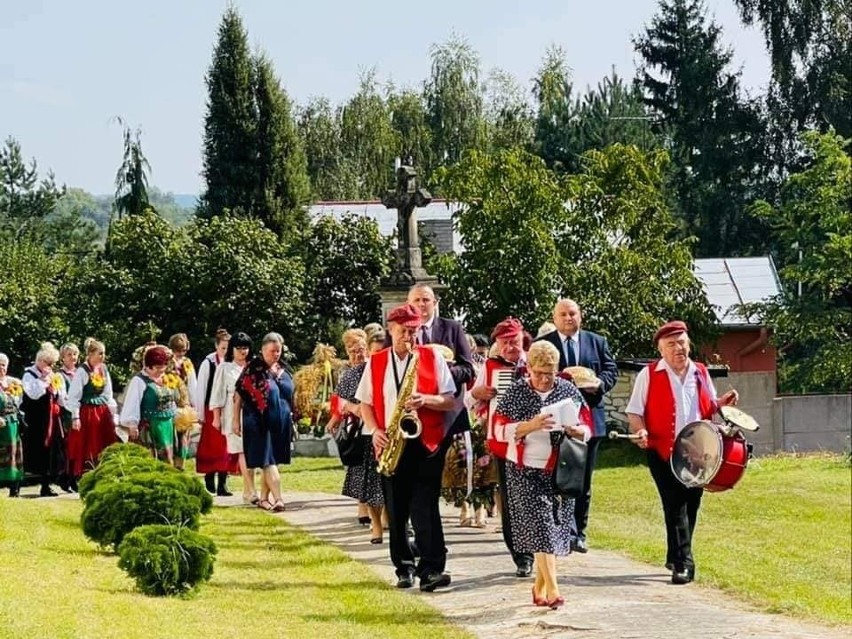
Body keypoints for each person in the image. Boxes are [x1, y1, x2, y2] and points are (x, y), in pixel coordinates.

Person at [626, 320, 739, 585]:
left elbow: (708, 407)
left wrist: (722, 403)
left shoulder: (700, 371)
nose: (678, 349)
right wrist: (640, 431)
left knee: (691, 505)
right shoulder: (649, 374)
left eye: (682, 343)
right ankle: (684, 564)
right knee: (674, 504)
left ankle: (674, 553)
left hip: (696, 451)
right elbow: (634, 411)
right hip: (662, 450)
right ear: (661, 350)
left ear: (689, 345)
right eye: (671, 344)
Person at [356, 303, 457, 592]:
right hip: (390, 441)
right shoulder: (376, 362)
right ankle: (404, 567)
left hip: (425, 443)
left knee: (425, 507)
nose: (409, 337)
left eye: (413, 331)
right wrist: (375, 431)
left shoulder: (431, 357)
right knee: (396, 509)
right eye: (403, 331)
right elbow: (365, 403)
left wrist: (426, 400)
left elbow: (449, 399)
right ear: (391, 329)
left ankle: (432, 569)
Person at [493, 340, 591, 609]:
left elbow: (587, 426)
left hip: (559, 470)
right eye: (539, 373)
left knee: (554, 527)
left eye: (550, 373)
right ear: (529, 369)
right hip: (524, 470)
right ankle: (554, 590)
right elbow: (497, 430)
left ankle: (539, 587)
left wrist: (577, 430)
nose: (545, 379)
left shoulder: (568, 390)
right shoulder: (515, 393)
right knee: (542, 528)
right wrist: (530, 425)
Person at [536, 298, 618, 553]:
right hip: (554, 420)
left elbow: (611, 370)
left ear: (580, 316)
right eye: (563, 314)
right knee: (555, 478)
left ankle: (578, 533)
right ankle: (558, 530)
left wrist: (600, 384)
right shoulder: (544, 344)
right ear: (555, 317)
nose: (568, 318)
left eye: (572, 314)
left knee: (582, 481)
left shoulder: (597, 341)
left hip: (589, 419)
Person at [468, 317, 534, 576]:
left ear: (523, 340)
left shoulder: (535, 361)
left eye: (514, 342)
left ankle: (540, 547)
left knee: (534, 499)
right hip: (505, 443)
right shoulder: (492, 367)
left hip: (537, 441)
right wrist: (478, 394)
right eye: (504, 343)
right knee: (511, 499)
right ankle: (521, 555)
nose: (510, 348)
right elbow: (469, 402)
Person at [328, 328, 385, 543]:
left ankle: (390, 519)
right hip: (364, 431)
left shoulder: (390, 369)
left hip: (388, 428)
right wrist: (355, 409)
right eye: (353, 351)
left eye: (361, 350)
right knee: (369, 478)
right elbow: (340, 401)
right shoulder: (353, 374)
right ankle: (376, 524)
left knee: (386, 477)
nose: (358, 355)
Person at [233, 332, 294, 513]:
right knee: (268, 461)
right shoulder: (253, 369)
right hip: (258, 422)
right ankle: (279, 499)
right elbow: (239, 396)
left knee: (272, 460)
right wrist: (235, 420)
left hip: (280, 422)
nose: (276, 354)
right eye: (272, 351)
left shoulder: (283, 367)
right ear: (262, 350)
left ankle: (264, 498)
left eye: (278, 351)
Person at [209, 332, 257, 504]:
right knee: (242, 451)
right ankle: (251, 489)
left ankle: (247, 490)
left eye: (245, 348)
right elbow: (217, 393)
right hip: (231, 412)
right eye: (239, 348)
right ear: (232, 349)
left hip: (253, 413)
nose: (242, 351)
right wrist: (216, 417)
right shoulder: (225, 368)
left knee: (251, 452)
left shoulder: (254, 366)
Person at [65, 338, 118, 485]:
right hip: (87, 412)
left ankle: (104, 473)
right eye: (100, 353)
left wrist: (112, 412)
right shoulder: (82, 371)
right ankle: (87, 475)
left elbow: (108, 393)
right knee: (90, 443)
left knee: (105, 441)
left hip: (102, 411)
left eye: (104, 353)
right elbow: (74, 396)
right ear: (90, 354)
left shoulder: (103, 369)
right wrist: (75, 417)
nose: (102, 356)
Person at [119, 344, 181, 463]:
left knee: (168, 462)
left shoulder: (165, 378)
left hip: (167, 426)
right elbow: (132, 403)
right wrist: (132, 424)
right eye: (157, 368)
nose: (161, 371)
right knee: (151, 462)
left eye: (163, 368)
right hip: (150, 428)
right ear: (148, 366)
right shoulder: (139, 381)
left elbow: (173, 398)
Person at [21, 342, 68, 496]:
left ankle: (49, 482)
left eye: (53, 364)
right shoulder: (29, 374)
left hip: (52, 419)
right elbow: (33, 394)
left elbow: (62, 400)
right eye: (49, 363)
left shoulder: (54, 376)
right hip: (36, 420)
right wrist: (43, 380)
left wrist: (57, 389)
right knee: (38, 450)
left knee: (54, 451)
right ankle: (38, 482)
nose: (51, 366)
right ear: (40, 361)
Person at [195, 328, 237, 496]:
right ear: (216, 346)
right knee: (213, 446)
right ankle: (209, 475)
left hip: (229, 409)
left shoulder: (232, 364)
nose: (226, 351)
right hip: (212, 409)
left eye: (228, 348)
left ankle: (223, 482)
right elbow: (201, 389)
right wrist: (201, 415)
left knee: (227, 446)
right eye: (223, 348)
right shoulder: (209, 363)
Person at [168, 333, 198, 469]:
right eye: (177, 350)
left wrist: (194, 404)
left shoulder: (187, 363)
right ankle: (170, 462)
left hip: (184, 402)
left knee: (184, 436)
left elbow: (192, 384)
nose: (180, 354)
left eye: (183, 350)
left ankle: (181, 464)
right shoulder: (167, 362)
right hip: (170, 401)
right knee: (171, 435)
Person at [0, 353, 25, 497]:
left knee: (15, 454)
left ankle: (14, 489)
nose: (1, 368)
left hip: (13, 424)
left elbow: (19, 402)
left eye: (3, 365)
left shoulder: (13, 382)